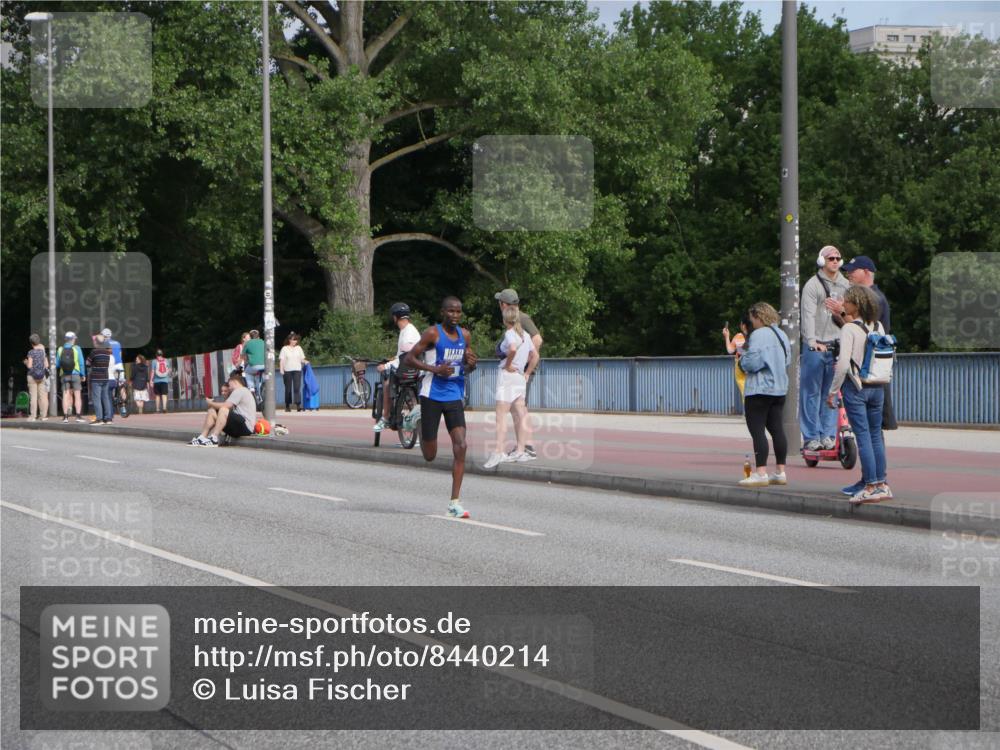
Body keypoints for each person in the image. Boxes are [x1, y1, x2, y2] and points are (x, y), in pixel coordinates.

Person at [405, 296, 478, 519]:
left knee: (461, 445)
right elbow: (409, 358)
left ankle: (454, 503)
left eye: (458, 312)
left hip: (454, 394)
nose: (455, 315)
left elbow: (466, 367)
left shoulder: (465, 335)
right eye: (451, 311)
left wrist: (471, 365)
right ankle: (418, 420)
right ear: (442, 312)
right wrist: (434, 369)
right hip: (432, 394)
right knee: (430, 454)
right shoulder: (432, 334)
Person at [828, 285, 892, 504]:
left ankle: (871, 485)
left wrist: (833, 390)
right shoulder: (879, 326)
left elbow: (844, 363)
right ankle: (882, 484)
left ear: (856, 304)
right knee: (875, 436)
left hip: (856, 387)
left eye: (846, 301)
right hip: (877, 386)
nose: (843, 304)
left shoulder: (849, 330)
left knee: (863, 437)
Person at [832, 255, 897, 433]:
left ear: (867, 272)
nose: (849, 274)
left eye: (853, 271)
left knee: (868, 431)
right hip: (869, 367)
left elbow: (863, 332)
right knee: (873, 431)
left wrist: (842, 312)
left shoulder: (874, 299)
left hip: (868, 368)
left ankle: (873, 461)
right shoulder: (870, 297)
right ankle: (877, 461)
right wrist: (841, 315)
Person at [798, 246, 850, 451]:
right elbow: (808, 315)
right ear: (822, 261)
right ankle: (811, 436)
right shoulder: (813, 285)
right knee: (811, 393)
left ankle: (828, 435)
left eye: (838, 258)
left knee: (832, 393)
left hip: (836, 344)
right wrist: (811, 341)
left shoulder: (846, 285)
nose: (835, 261)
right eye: (830, 258)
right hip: (817, 344)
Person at [737, 302, 791, 487]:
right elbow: (788, 359)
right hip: (779, 388)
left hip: (759, 389)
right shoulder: (782, 334)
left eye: (752, 319)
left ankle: (761, 473)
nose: (751, 323)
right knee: (777, 429)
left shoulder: (758, 335)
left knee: (757, 430)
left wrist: (741, 362)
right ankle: (780, 472)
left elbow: (752, 362)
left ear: (759, 317)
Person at [484, 305, 539, 468]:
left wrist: (508, 364)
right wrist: (527, 372)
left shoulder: (509, 334)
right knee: (519, 413)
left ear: (504, 320)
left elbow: (512, 349)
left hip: (507, 376)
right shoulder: (526, 335)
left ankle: (499, 451)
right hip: (520, 377)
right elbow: (535, 355)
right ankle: (520, 451)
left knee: (501, 415)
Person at [495, 288, 542, 458]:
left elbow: (537, 339)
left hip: (519, 371)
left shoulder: (521, 317)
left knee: (519, 409)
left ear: (505, 304)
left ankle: (527, 446)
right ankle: (523, 446)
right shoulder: (514, 318)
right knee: (518, 408)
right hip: (519, 370)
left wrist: (524, 365)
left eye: (500, 302)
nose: (498, 305)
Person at [374, 302, 422, 432]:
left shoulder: (407, 333)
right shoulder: (410, 330)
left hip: (406, 369)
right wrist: (392, 360)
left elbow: (405, 357)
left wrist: (386, 365)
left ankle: (385, 417)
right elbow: (402, 355)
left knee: (386, 383)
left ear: (395, 317)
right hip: (415, 370)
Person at [189, 371, 258, 446]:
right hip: (239, 426)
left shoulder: (240, 390)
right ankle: (202, 437)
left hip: (246, 427)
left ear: (234, 382)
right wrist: (212, 406)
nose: (229, 388)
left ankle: (214, 438)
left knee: (223, 409)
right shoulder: (242, 391)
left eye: (229, 385)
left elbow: (226, 405)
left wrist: (210, 403)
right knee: (212, 411)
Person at [56, 332, 87, 423]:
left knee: (65, 395)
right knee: (77, 395)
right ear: (73, 339)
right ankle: (78, 416)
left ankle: (65, 417)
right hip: (75, 374)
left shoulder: (60, 349)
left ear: (65, 339)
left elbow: (57, 364)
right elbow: (81, 363)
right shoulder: (77, 349)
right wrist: (83, 374)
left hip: (64, 375)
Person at [85, 334, 114, 425]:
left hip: (96, 378)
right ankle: (108, 418)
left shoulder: (94, 352)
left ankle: (99, 419)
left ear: (97, 342)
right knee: (105, 398)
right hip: (105, 377)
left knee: (96, 398)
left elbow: (88, 363)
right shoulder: (107, 353)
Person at [722, 315, 752, 397]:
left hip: (741, 368)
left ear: (743, 326)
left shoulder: (739, 336)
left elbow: (730, 350)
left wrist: (727, 336)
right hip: (754, 368)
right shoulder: (757, 336)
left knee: (745, 393)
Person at [278, 332, 308, 412]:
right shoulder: (284, 348)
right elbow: (282, 360)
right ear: (289, 340)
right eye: (293, 340)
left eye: (296, 340)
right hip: (287, 370)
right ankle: (287, 405)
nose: (295, 341)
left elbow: (301, 358)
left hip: (297, 370)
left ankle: (298, 405)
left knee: (297, 388)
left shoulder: (299, 348)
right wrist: (281, 369)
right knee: (288, 389)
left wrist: (305, 361)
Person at [24, 333, 49, 421]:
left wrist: (26, 362)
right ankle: (43, 416)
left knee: (33, 396)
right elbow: (47, 364)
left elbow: (30, 366)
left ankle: (33, 416)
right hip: (42, 376)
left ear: (31, 343)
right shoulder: (43, 352)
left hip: (32, 376)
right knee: (42, 396)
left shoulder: (30, 352)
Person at [243, 329, 266, 402]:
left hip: (254, 366)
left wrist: (247, 360)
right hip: (265, 366)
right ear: (258, 336)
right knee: (257, 376)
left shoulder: (248, 343)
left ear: (250, 336)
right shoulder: (263, 342)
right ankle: (259, 392)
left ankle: (251, 388)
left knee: (247, 372)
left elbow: (243, 355)